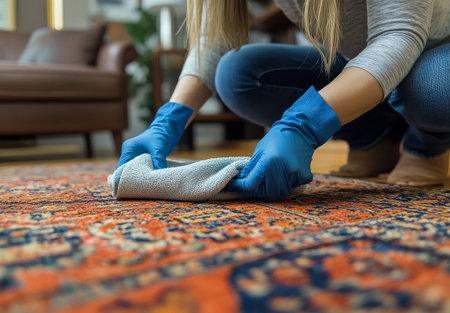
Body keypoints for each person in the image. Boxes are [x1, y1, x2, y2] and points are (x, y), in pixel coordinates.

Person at [117, 0, 450, 201]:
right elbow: (213, 40)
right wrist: (169, 119)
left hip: (433, 58)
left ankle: (428, 144)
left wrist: (303, 125)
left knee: (430, 85)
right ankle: (373, 139)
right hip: (363, 61)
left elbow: (398, 33)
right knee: (238, 74)